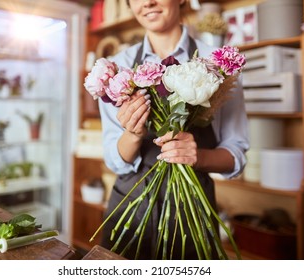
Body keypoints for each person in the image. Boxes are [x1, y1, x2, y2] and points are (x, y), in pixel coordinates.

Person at [98, 0, 249, 259]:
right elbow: (115, 160)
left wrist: (198, 156)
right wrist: (132, 134)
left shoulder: (218, 64)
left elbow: (236, 155)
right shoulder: (115, 68)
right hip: (129, 212)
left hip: (192, 214)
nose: (147, 3)